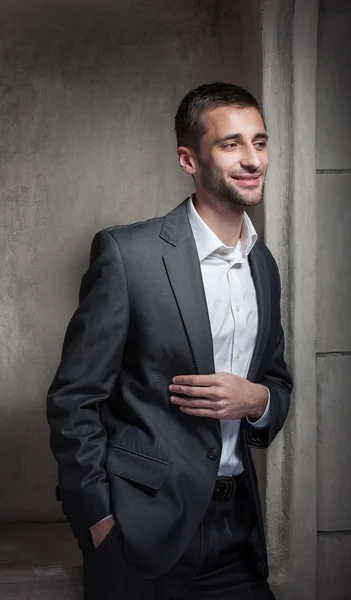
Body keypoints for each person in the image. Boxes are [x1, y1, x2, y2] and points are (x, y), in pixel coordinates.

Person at [46, 82, 292, 600]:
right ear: (188, 159)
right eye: (231, 144)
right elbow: (74, 399)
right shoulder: (128, 255)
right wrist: (99, 523)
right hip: (139, 538)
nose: (253, 159)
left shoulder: (262, 264)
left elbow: (277, 382)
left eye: (260, 142)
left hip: (236, 529)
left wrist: (258, 400)